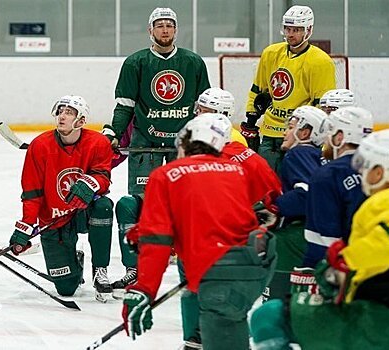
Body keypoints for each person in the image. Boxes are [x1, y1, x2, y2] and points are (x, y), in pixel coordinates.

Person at [250, 129, 389, 350]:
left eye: (365, 165)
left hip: (377, 321)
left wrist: (344, 259)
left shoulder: (387, 199)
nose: (360, 170)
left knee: (268, 316)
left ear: (379, 173)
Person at [121, 113, 276, 350]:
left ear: (185, 141)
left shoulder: (165, 175)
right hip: (257, 263)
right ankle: (198, 338)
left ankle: (198, 338)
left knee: (222, 325)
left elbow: (158, 240)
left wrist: (143, 290)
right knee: (230, 321)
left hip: (219, 271)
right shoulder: (234, 170)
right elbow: (210, 214)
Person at [102, 7, 210, 296]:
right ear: (150, 30)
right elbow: (125, 104)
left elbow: (205, 106)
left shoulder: (193, 62)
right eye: (159, 25)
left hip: (183, 146)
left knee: (185, 203)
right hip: (144, 142)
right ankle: (135, 267)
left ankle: (187, 258)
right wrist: (114, 131)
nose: (165, 30)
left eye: (169, 25)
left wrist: (204, 138)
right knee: (139, 203)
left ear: (176, 30)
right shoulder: (136, 62)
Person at [178, 88, 282, 349]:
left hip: (221, 236)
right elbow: (271, 191)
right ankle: (205, 334)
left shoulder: (218, 144)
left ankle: (197, 337)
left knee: (200, 285)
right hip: (233, 234)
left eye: (203, 109)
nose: (197, 113)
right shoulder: (228, 140)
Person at [8, 95, 115, 302]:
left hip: (83, 210)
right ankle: (75, 262)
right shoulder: (40, 146)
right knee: (66, 288)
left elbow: (103, 177)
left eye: (68, 112)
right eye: (59, 112)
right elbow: (32, 193)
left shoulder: (98, 143)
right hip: (54, 219)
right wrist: (25, 227)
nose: (61, 116)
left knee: (103, 205)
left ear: (81, 120)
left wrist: (90, 184)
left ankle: (100, 270)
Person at [240, 5, 336, 174]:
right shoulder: (270, 53)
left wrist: (311, 135)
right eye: (287, 28)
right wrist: (251, 119)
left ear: (309, 30)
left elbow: (321, 106)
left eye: (297, 29)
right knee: (267, 184)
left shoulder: (320, 61)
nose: (290, 34)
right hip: (269, 134)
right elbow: (258, 89)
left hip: (299, 137)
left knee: (294, 181)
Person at [262, 106, 328, 301]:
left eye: (290, 127)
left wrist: (276, 206)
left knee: (277, 302)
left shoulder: (297, 154)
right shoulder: (318, 157)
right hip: (317, 235)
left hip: (295, 236)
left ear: (305, 132)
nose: (285, 132)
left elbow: (306, 194)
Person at [303, 106, 373, 269]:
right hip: (370, 259)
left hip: (330, 264)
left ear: (340, 137)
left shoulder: (327, 175)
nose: (326, 140)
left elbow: (327, 235)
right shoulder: (378, 171)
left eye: (330, 133)